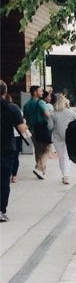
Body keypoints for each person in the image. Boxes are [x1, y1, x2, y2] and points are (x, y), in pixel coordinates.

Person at [0, 80, 31, 222]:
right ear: (5, 92)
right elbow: (22, 129)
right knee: (3, 180)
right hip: (6, 147)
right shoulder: (11, 108)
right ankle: (1, 210)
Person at [22, 85, 52, 179]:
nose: (42, 92)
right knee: (47, 149)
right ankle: (39, 169)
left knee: (38, 150)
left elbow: (25, 119)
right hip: (43, 129)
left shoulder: (26, 105)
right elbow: (48, 115)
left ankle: (40, 170)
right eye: (40, 91)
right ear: (35, 92)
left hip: (32, 130)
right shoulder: (41, 102)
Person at [51, 92, 76, 185]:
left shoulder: (53, 113)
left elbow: (49, 126)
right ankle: (66, 176)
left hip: (57, 138)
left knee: (62, 157)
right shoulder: (71, 112)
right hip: (69, 137)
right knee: (67, 157)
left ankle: (64, 175)